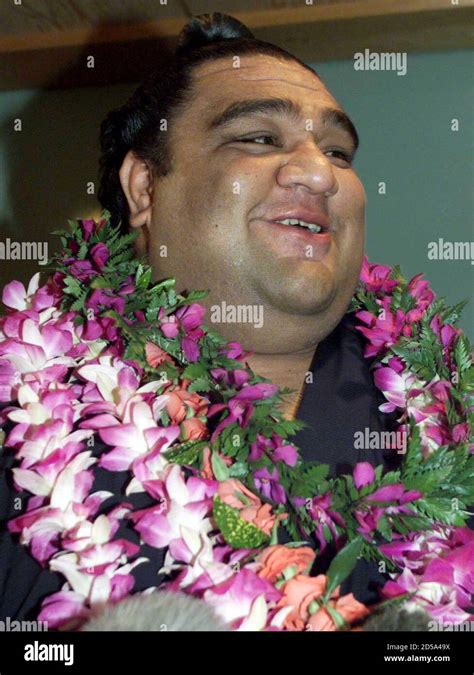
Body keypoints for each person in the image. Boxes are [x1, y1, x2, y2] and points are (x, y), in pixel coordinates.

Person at [0, 12, 400, 622]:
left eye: (339, 150)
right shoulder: (21, 413)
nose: (321, 172)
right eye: (259, 138)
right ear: (144, 188)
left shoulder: (441, 407)